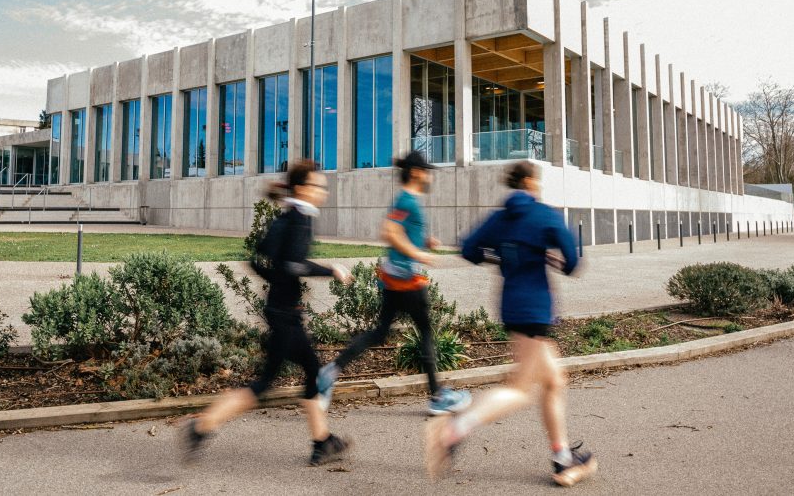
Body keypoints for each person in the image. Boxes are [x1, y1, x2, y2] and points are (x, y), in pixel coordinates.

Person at [424, 161, 597, 487]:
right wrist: (552, 259)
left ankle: (562, 459)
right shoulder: (544, 215)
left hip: (511, 306)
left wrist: (502, 256)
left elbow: (469, 249)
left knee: (554, 380)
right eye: (537, 181)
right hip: (535, 309)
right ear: (530, 182)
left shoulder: (499, 217)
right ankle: (454, 430)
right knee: (519, 390)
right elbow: (573, 262)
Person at [180, 160, 353, 467]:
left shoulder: (285, 217)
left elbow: (258, 260)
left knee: (309, 371)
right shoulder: (299, 219)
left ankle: (322, 441)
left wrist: (279, 284)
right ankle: (201, 426)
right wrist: (332, 271)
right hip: (285, 315)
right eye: (318, 187)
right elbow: (293, 265)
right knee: (267, 383)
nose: (323, 192)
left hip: (280, 311)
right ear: (302, 188)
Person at [317, 151, 471, 416]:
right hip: (408, 281)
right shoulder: (406, 200)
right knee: (425, 333)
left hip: (394, 280)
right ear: (416, 173)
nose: (429, 176)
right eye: (426, 171)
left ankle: (330, 372)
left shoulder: (408, 201)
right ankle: (437, 397)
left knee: (380, 333)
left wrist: (424, 242)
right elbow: (389, 232)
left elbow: (401, 232)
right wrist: (417, 253)